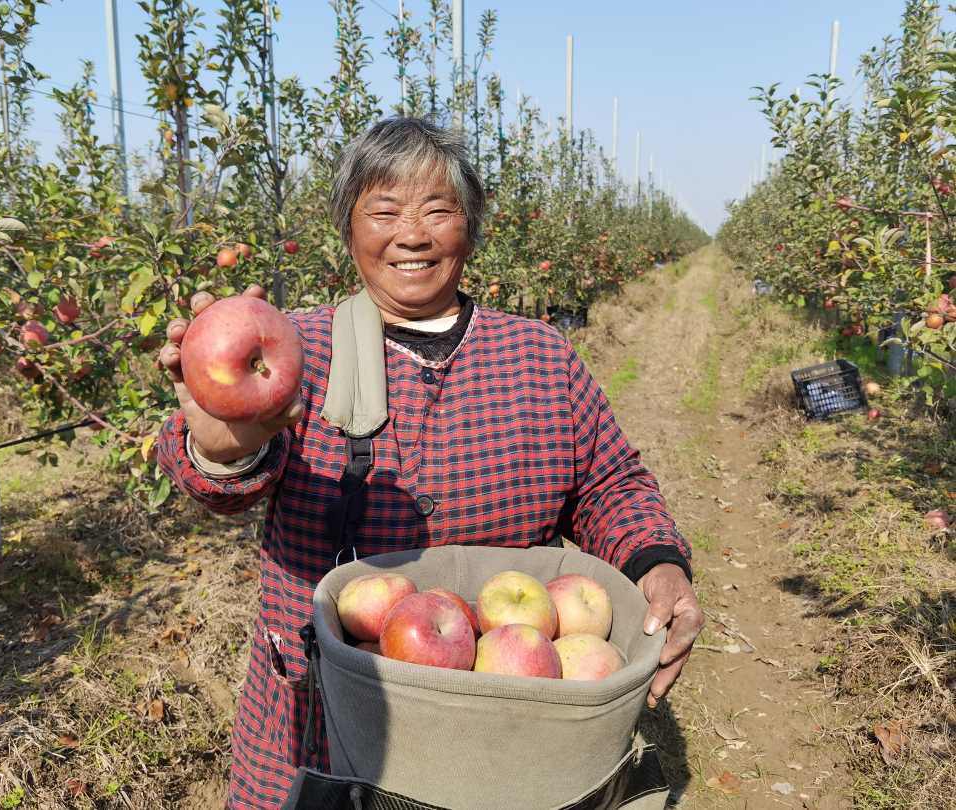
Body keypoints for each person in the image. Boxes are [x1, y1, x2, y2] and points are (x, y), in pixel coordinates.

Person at [155, 116, 704, 810]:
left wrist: (658, 563)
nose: (411, 234)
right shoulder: (301, 350)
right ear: (348, 230)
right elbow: (220, 480)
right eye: (383, 211)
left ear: (470, 230)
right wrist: (220, 445)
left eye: (437, 211)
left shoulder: (539, 357)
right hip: (330, 718)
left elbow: (610, 484)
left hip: (504, 718)